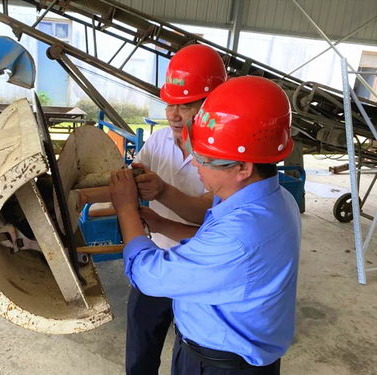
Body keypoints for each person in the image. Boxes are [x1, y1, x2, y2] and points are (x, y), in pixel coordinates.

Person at [110, 76, 301, 375]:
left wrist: (126, 210)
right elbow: (213, 242)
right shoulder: (276, 200)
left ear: (243, 167)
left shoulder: (241, 235)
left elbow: (147, 275)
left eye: (205, 158)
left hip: (218, 365)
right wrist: (162, 225)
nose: (195, 164)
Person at [125, 44, 227, 375]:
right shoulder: (157, 142)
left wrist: (163, 192)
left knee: (190, 355)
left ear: (212, 105)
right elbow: (133, 177)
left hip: (200, 270)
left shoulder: (223, 158)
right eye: (170, 103)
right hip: (157, 260)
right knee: (141, 349)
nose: (173, 113)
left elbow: (208, 214)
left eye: (186, 105)